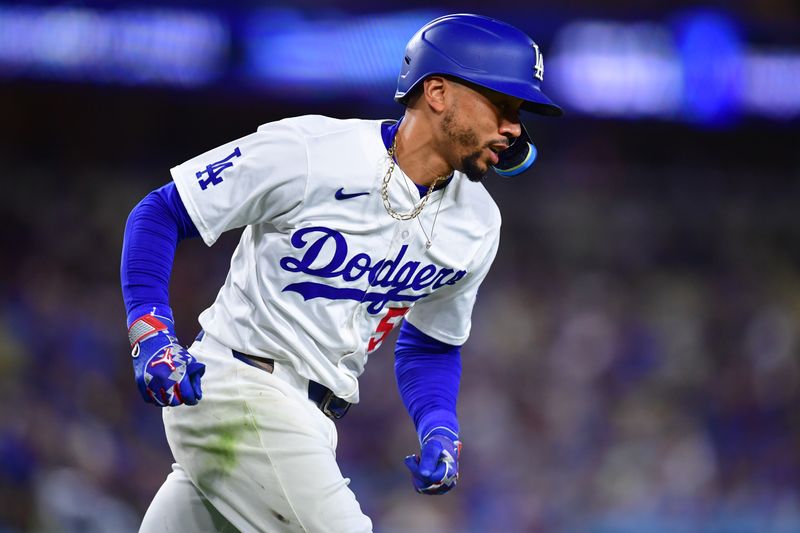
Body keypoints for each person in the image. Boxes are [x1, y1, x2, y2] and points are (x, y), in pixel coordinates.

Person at [120, 13, 562, 532]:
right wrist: (150, 331)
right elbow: (162, 211)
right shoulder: (312, 151)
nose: (514, 127)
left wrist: (438, 425)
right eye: (503, 105)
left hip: (314, 421)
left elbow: (432, 343)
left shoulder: (479, 222)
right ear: (438, 92)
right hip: (238, 387)